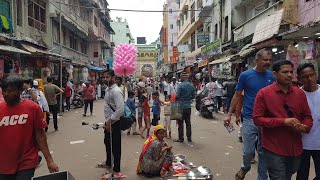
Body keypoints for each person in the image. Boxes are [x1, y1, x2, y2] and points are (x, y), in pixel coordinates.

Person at [253, 60, 313, 180]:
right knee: (279, 177)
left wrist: (305, 127)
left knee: (288, 175)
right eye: (285, 72)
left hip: (295, 148)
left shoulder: (299, 93)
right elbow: (257, 119)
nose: (290, 75)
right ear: (275, 74)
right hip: (273, 148)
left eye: (291, 72)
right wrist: (283, 121)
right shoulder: (264, 94)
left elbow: (307, 116)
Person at [224, 49, 274, 180]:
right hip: (249, 118)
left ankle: (262, 178)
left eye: (269, 60)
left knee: (263, 152)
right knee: (248, 151)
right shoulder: (246, 75)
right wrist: (230, 113)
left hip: (266, 119)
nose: (268, 62)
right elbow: (237, 95)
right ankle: (245, 167)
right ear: (256, 60)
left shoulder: (272, 76)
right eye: (265, 60)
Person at [0, 75, 59, 179]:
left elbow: (41, 137)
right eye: (4, 90)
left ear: (20, 91)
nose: (6, 94)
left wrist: (50, 161)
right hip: (4, 163)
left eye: (10, 91)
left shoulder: (33, 108)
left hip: (26, 161)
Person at [296, 63, 320, 180]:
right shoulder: (296, 95)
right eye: (305, 76)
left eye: (312, 75)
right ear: (299, 79)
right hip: (302, 143)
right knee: (302, 175)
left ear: (316, 75)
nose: (310, 79)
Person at [101, 70, 127, 178]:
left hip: (114, 122)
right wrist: (107, 122)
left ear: (113, 77)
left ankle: (116, 170)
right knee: (107, 142)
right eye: (104, 77)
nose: (105, 79)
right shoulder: (108, 89)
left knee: (115, 146)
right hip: (108, 122)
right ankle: (108, 162)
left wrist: (110, 122)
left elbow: (120, 110)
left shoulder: (116, 91)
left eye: (107, 77)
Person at [175, 72, 195, 143]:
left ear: (183, 77)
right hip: (188, 107)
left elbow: (177, 96)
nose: (180, 78)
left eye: (180, 77)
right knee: (188, 123)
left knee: (180, 123)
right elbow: (193, 96)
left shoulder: (180, 86)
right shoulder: (191, 85)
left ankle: (181, 138)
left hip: (181, 106)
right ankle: (189, 138)